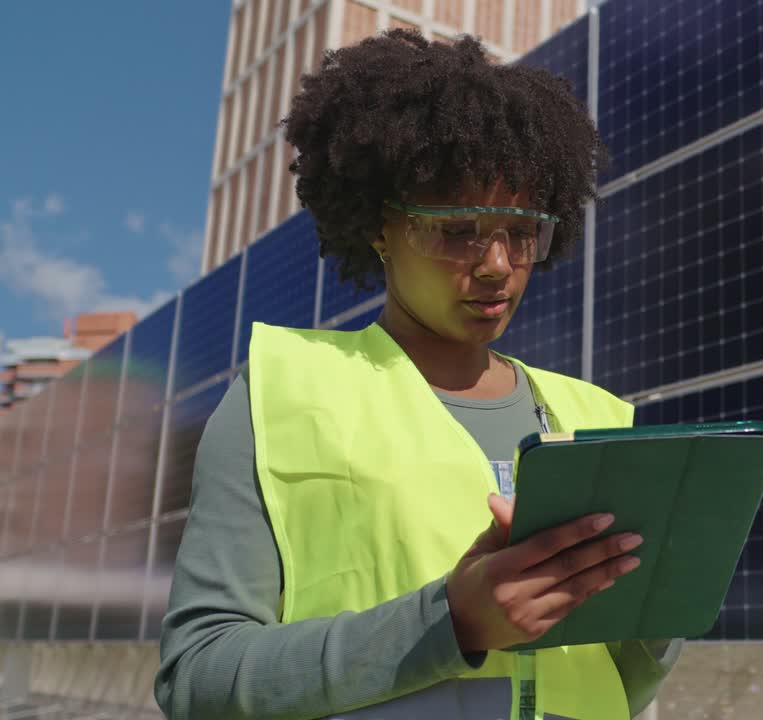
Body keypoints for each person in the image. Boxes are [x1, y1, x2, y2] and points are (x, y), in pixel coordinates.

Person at [154, 31, 681, 719]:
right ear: (380, 227)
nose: (495, 264)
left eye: (520, 231)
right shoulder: (284, 394)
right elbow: (196, 680)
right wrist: (450, 622)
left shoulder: (603, 419)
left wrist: (662, 610)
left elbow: (620, 683)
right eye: (457, 229)